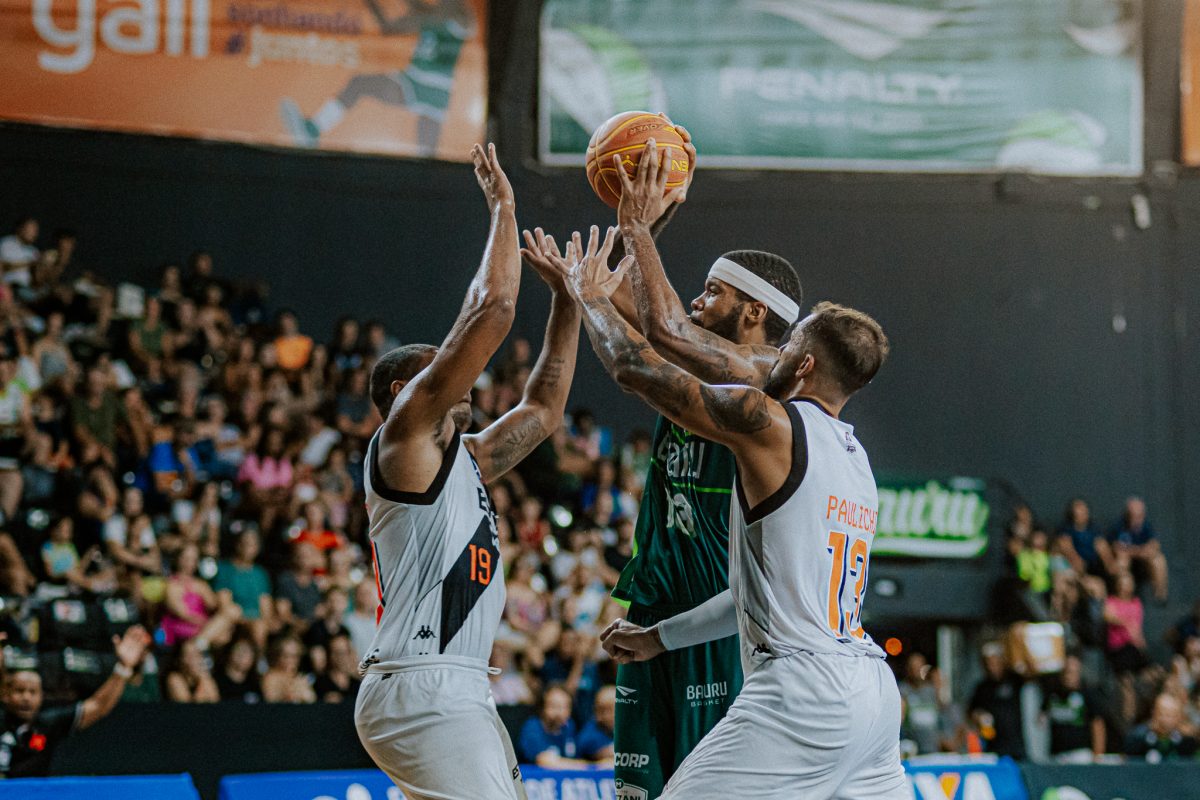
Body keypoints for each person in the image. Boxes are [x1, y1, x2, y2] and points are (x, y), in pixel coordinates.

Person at [561, 213, 901, 795]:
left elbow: (634, 366)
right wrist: (658, 637)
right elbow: (752, 594)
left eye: (790, 344)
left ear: (803, 365)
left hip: (800, 692)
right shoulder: (857, 463)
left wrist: (591, 296)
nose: (778, 351)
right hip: (872, 694)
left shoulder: (771, 425)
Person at [526, 136, 803, 799]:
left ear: (755, 311)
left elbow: (655, 334)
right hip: (651, 606)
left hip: (713, 616)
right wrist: (650, 213)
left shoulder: (769, 375)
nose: (697, 300)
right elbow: (636, 305)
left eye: (712, 292)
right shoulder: (698, 356)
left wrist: (634, 233)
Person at [353, 143, 581, 800]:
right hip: (422, 683)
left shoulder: (467, 458)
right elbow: (493, 311)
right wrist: (504, 206)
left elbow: (544, 409)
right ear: (403, 391)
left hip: (453, 684)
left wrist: (567, 301)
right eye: (441, 368)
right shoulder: (404, 438)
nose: (464, 377)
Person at [281, 0, 475, 157]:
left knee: (428, 155)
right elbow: (396, 21)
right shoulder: (432, 11)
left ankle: (312, 131)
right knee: (360, 84)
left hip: (430, 86)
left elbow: (398, 23)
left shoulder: (462, 16)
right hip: (416, 82)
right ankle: (312, 131)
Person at [0, 625, 152, 777]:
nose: (26, 698)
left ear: (42, 696)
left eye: (33, 692)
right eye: (19, 691)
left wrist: (123, 668)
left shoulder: (48, 723)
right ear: (5, 695)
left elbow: (98, 706)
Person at [1041, 654, 1106, 760]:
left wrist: (1098, 754)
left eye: (1071, 672)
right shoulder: (1052, 695)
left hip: (1080, 754)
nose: (1067, 676)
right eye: (1065, 672)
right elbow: (1041, 719)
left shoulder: (1087, 695)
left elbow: (1097, 724)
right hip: (1056, 755)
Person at [1108, 497, 1169, 602]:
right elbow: (1117, 548)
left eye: (1140, 515)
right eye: (1133, 515)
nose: (1136, 519)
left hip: (1144, 564)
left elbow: (1155, 544)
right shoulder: (1119, 526)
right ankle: (1122, 596)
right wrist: (1138, 551)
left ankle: (1160, 597)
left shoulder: (1146, 526)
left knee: (1159, 560)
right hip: (1128, 562)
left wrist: (1142, 551)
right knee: (1122, 561)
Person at [517, 685, 590, 768]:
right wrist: (582, 765)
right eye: (554, 706)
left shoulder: (569, 726)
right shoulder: (532, 727)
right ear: (542, 708)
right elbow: (543, 760)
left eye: (565, 707)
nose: (560, 712)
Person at [1124, 692, 1199, 762]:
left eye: (1172, 715)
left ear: (1179, 717)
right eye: (1162, 714)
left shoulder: (1186, 741)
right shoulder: (1138, 737)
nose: (1167, 719)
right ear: (1154, 713)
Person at [577, 685, 617, 763]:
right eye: (604, 710)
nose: (612, 715)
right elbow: (600, 754)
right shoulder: (589, 735)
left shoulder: (623, 730)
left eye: (614, 709)